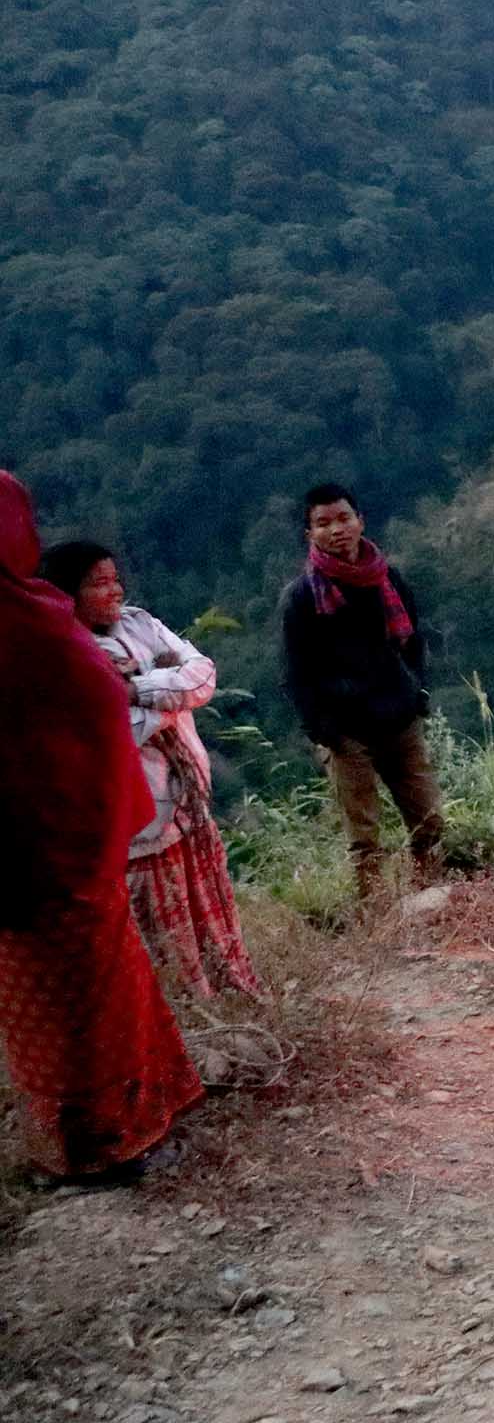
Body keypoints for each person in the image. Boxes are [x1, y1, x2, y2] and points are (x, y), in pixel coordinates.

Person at [0, 473, 204, 1184]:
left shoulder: (35, 612)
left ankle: (61, 1143)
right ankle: (109, 1141)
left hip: (34, 854)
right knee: (90, 998)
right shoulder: (28, 621)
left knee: (44, 1003)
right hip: (60, 849)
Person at [35, 541, 263, 999]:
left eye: (115, 579)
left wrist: (135, 687)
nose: (114, 591)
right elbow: (117, 727)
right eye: (99, 584)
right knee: (165, 936)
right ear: (69, 593)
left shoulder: (139, 622)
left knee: (213, 918)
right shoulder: (66, 654)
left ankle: (235, 999)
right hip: (144, 824)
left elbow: (202, 676)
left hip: (188, 804)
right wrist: (165, 694)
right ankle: (193, 1019)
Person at [279, 482, 445, 897]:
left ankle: (432, 896)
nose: (336, 529)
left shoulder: (386, 578)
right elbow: (296, 672)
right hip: (346, 731)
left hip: (399, 718)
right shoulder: (302, 597)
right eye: (323, 523)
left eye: (343, 518)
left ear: (360, 521)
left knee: (429, 819)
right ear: (309, 534)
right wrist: (324, 733)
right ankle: (377, 920)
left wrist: (418, 692)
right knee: (365, 837)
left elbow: (413, 640)